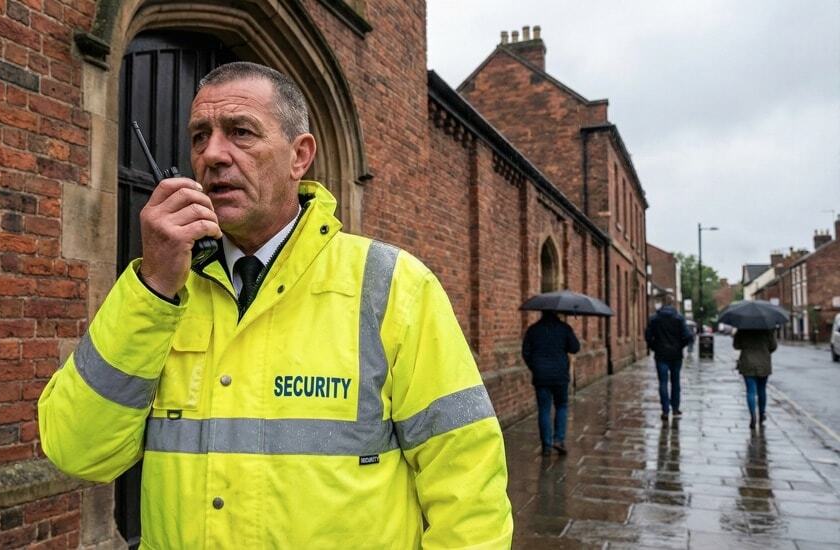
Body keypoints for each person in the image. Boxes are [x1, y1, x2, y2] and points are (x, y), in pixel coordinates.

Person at [38, 62, 512, 548]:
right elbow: (77, 452)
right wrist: (154, 285)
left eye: (241, 132)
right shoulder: (158, 292)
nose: (213, 154)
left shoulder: (393, 287)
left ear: (299, 156)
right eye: (200, 136)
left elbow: (467, 485)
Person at [522, 311, 580, 456]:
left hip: (541, 376)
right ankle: (558, 440)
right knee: (561, 406)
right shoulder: (564, 328)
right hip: (560, 375)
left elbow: (526, 352)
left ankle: (546, 445)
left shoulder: (533, 330)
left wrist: (534, 367)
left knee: (544, 409)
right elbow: (575, 347)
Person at [644, 295, 693, 420]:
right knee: (675, 382)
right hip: (676, 355)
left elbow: (648, 336)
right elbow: (688, 336)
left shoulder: (654, 319)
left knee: (663, 382)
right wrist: (680, 346)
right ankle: (675, 408)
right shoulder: (679, 318)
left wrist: (654, 347)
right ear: (673, 304)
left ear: (662, 304)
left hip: (661, 355)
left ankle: (665, 410)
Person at [733, 329, 777, 429]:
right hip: (763, 363)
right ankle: (761, 414)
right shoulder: (767, 330)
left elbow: (736, 345)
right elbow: (773, 346)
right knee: (762, 390)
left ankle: (753, 415)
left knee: (750, 391)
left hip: (747, 363)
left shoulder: (743, 329)